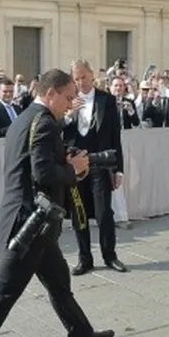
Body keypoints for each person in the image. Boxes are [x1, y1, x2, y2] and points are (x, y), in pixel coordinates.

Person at [0, 68, 115, 337]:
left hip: (34, 221)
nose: (70, 104)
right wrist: (73, 169)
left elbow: (33, 163)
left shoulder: (27, 118)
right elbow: (43, 174)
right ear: (51, 94)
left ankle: (80, 333)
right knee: (2, 295)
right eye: (67, 98)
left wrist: (64, 159)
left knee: (59, 281)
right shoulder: (45, 122)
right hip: (30, 224)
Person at [63, 59, 128, 276]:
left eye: (84, 77)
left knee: (103, 213)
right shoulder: (68, 100)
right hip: (75, 165)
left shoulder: (106, 100)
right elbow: (57, 130)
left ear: (91, 75)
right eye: (76, 78)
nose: (81, 82)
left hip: (100, 164)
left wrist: (118, 169)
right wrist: (68, 116)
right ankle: (85, 259)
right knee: (79, 213)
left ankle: (110, 256)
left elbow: (116, 136)